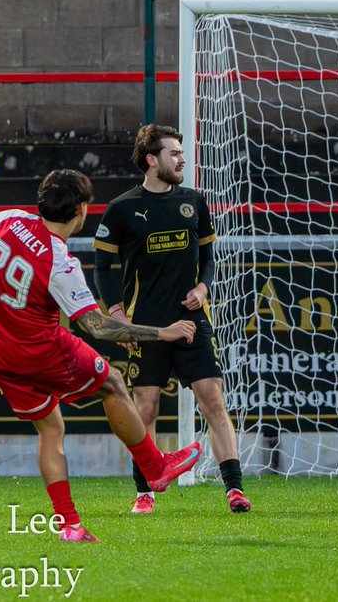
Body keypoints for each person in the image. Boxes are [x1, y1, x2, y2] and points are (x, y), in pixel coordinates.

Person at [0, 169, 202, 543]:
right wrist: (162, 333)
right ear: (83, 211)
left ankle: (70, 525)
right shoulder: (61, 262)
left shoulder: (11, 220)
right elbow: (98, 327)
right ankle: (155, 468)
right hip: (39, 348)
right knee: (114, 385)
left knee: (51, 429)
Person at [94, 124, 250, 515]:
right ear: (152, 160)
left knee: (213, 400)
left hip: (192, 321)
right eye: (174, 153)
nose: (182, 160)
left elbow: (210, 259)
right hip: (145, 325)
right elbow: (101, 267)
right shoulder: (122, 208)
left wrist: (203, 289)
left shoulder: (194, 201)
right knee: (145, 408)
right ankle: (144, 492)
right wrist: (116, 314)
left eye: (181, 153)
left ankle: (234, 489)